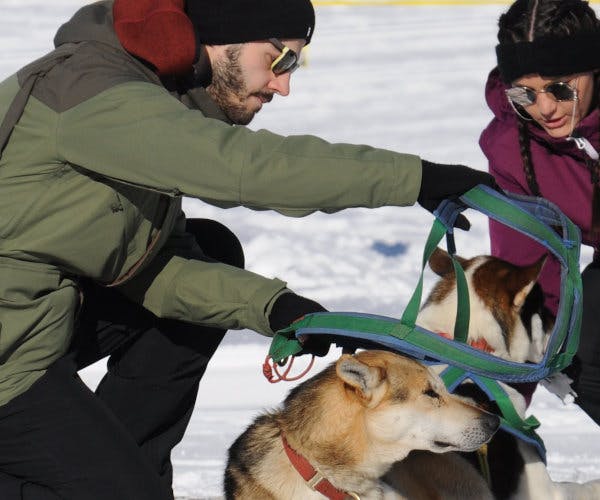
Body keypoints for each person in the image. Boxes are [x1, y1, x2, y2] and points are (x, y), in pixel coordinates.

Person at [0, 0, 496, 498]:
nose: (284, 84)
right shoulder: (94, 90)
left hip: (35, 322)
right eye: (279, 59)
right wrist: (415, 179)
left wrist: (273, 306)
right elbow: (245, 167)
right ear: (222, 38)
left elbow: (156, 271)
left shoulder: (152, 100)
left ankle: (122, 465)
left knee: (211, 250)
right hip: (11, 351)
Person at [480, 0, 600, 424]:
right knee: (576, 354)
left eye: (560, 88)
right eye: (524, 94)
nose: (544, 108)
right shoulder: (514, 149)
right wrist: (500, 408)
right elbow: (526, 282)